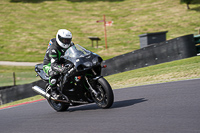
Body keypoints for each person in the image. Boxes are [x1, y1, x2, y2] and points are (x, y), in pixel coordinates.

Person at [43, 29, 74, 99]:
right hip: (49, 64)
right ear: (59, 38)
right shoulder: (53, 48)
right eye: (64, 40)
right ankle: (53, 90)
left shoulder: (71, 44)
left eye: (68, 40)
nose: (66, 42)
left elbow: (76, 53)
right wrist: (62, 69)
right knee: (54, 72)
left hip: (63, 62)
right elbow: (54, 65)